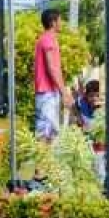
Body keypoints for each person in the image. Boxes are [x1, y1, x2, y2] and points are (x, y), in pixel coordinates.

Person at [33, 8, 71, 143]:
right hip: (47, 93)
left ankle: (47, 163)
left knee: (51, 133)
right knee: (45, 134)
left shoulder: (46, 39)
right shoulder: (48, 40)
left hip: (48, 92)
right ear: (53, 22)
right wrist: (64, 93)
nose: (62, 23)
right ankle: (42, 164)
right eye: (60, 20)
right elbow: (52, 68)